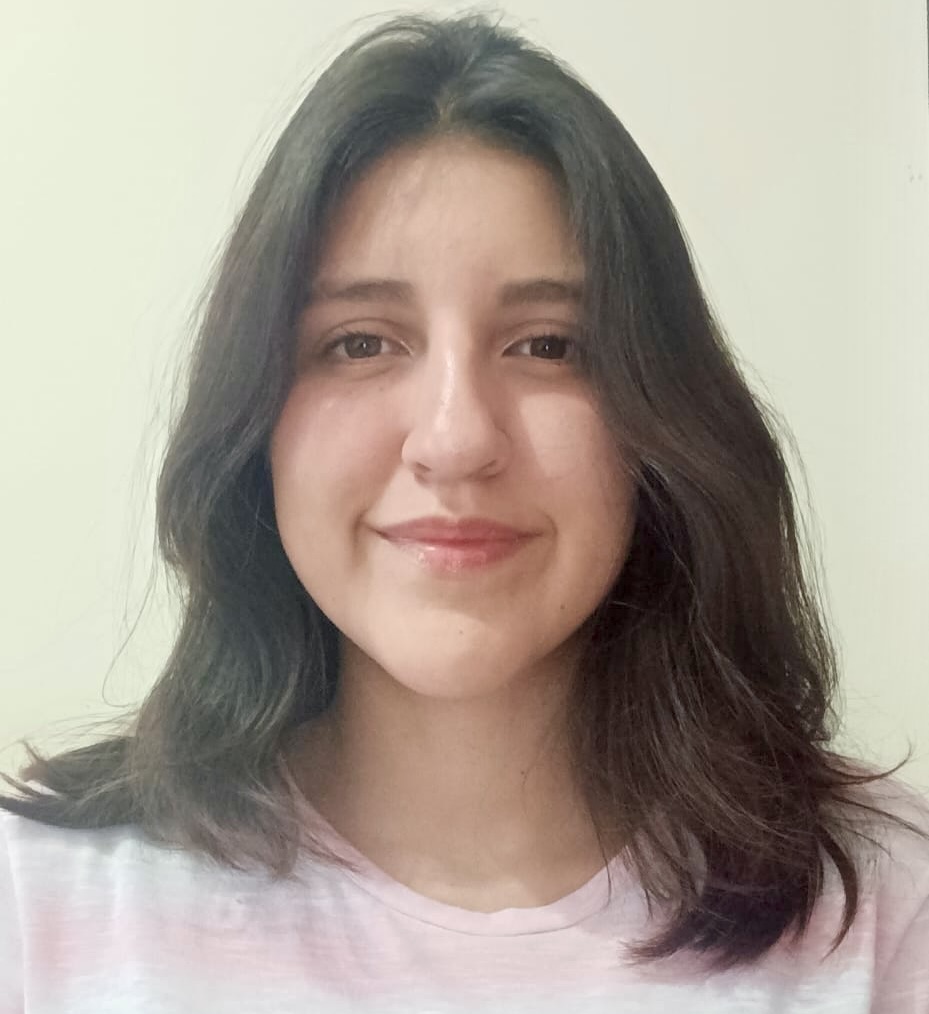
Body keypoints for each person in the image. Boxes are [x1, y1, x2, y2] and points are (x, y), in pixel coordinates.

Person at [1, 10, 927, 1012]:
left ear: (662, 414)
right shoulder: (34, 908)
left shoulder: (885, 916)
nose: (453, 439)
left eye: (548, 346)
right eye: (360, 342)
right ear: (254, 417)